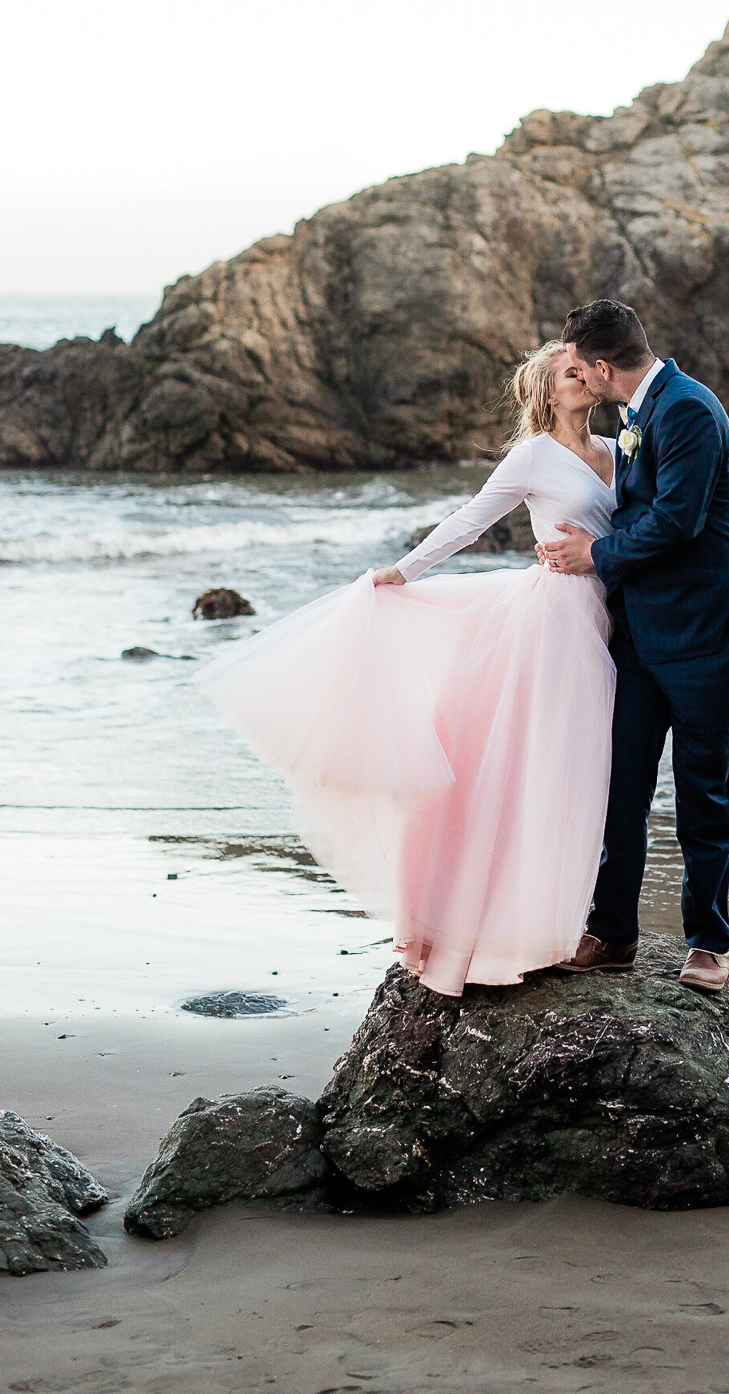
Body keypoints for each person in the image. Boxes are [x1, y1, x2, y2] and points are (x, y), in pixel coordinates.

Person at [198, 341, 617, 998]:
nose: (587, 377)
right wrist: (405, 570)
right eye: (572, 372)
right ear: (548, 392)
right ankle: (513, 930)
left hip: (605, 619)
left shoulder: (617, 452)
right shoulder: (533, 456)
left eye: (588, 368)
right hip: (552, 624)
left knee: (584, 769)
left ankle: (571, 918)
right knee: (535, 769)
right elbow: (470, 521)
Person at [539, 300, 729, 993]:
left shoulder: (690, 410)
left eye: (582, 367)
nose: (580, 378)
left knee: (702, 790)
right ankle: (613, 933)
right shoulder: (638, 412)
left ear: (605, 367)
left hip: (708, 632)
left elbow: (677, 520)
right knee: (623, 786)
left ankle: (710, 942)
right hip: (642, 635)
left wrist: (595, 554)